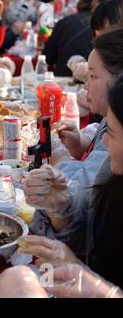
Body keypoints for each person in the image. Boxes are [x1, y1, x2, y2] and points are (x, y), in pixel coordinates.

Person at [24, 70, 123, 288]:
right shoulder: (113, 177)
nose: (104, 143)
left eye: (112, 133)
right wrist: (61, 210)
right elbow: (90, 242)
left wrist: (96, 286)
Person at [43, 0, 104, 77]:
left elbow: (48, 57)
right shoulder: (105, 27)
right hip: (88, 79)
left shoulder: (66, 21)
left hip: (64, 78)